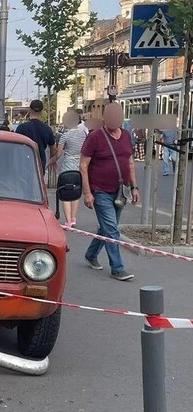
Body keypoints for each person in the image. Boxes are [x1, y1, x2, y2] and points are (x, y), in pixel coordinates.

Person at [80, 103, 139, 281]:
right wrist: (87, 193)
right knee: (112, 230)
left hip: (120, 191)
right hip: (100, 191)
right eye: (110, 115)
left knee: (106, 228)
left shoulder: (127, 136)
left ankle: (91, 254)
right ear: (104, 118)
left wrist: (134, 187)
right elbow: (83, 165)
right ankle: (117, 268)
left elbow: (130, 163)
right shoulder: (95, 137)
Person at [47, 111, 87, 227]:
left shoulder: (65, 136)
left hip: (67, 167)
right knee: (75, 192)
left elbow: (58, 154)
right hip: (79, 167)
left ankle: (68, 220)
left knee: (66, 193)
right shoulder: (84, 135)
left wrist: (49, 162)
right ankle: (74, 218)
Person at [15, 99, 56, 171]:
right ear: (41, 112)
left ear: (30, 110)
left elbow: (15, 148)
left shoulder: (21, 128)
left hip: (23, 164)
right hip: (40, 164)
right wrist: (50, 161)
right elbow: (53, 149)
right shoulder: (47, 129)